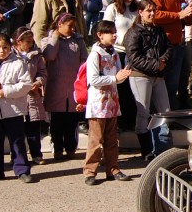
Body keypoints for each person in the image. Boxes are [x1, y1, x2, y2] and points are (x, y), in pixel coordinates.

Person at [0, 34, 34, 182]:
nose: (2, 50)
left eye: (5, 47)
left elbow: (26, 84)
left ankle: (22, 170)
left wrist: (7, 91)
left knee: (17, 141)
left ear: (10, 48)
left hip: (14, 111)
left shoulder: (19, 64)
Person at [83, 20, 133, 185]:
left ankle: (113, 168)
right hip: (98, 104)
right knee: (96, 139)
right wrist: (115, 78)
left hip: (112, 103)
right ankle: (90, 171)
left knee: (112, 138)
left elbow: (117, 76)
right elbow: (93, 79)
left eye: (114, 32)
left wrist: (122, 76)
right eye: (110, 32)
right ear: (99, 35)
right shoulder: (95, 55)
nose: (114, 35)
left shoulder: (114, 54)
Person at [124, 0, 173, 159]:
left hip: (158, 76)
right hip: (140, 75)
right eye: (148, 11)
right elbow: (134, 57)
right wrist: (155, 64)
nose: (152, 14)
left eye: (153, 10)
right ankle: (146, 150)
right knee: (144, 112)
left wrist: (163, 62)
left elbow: (168, 47)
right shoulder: (133, 33)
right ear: (141, 12)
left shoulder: (159, 30)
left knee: (165, 112)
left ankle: (163, 149)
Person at [146, 0, 192, 109]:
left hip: (177, 46)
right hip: (160, 48)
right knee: (160, 85)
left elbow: (188, 21)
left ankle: (171, 116)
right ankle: (159, 119)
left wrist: (189, 13)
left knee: (173, 85)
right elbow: (155, 15)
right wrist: (179, 15)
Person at [41, 13, 87, 160]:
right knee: (57, 121)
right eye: (69, 26)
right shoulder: (48, 40)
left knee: (72, 120)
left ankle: (71, 148)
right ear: (59, 25)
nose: (72, 29)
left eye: (74, 26)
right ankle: (58, 148)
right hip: (56, 87)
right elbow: (49, 56)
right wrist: (55, 37)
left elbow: (84, 59)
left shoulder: (78, 40)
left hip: (73, 86)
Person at [103, 0, 139, 129]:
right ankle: (121, 121)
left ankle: (132, 120)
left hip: (134, 53)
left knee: (133, 88)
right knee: (121, 87)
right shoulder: (113, 8)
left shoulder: (137, 9)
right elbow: (106, 28)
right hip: (119, 52)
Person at [13, 26, 47, 165]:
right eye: (26, 41)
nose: (30, 43)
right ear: (18, 42)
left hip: (32, 96)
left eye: (31, 41)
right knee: (17, 129)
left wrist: (38, 82)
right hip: (16, 97)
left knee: (33, 128)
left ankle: (36, 154)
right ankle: (16, 156)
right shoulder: (11, 56)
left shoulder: (36, 56)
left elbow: (42, 73)